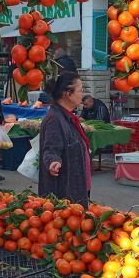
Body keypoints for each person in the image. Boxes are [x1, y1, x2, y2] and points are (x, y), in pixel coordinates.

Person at [38, 72, 90, 206]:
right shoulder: (55, 119)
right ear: (68, 93)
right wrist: (53, 162)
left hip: (75, 189)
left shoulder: (67, 117)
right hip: (64, 195)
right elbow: (50, 149)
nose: (82, 94)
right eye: (80, 90)